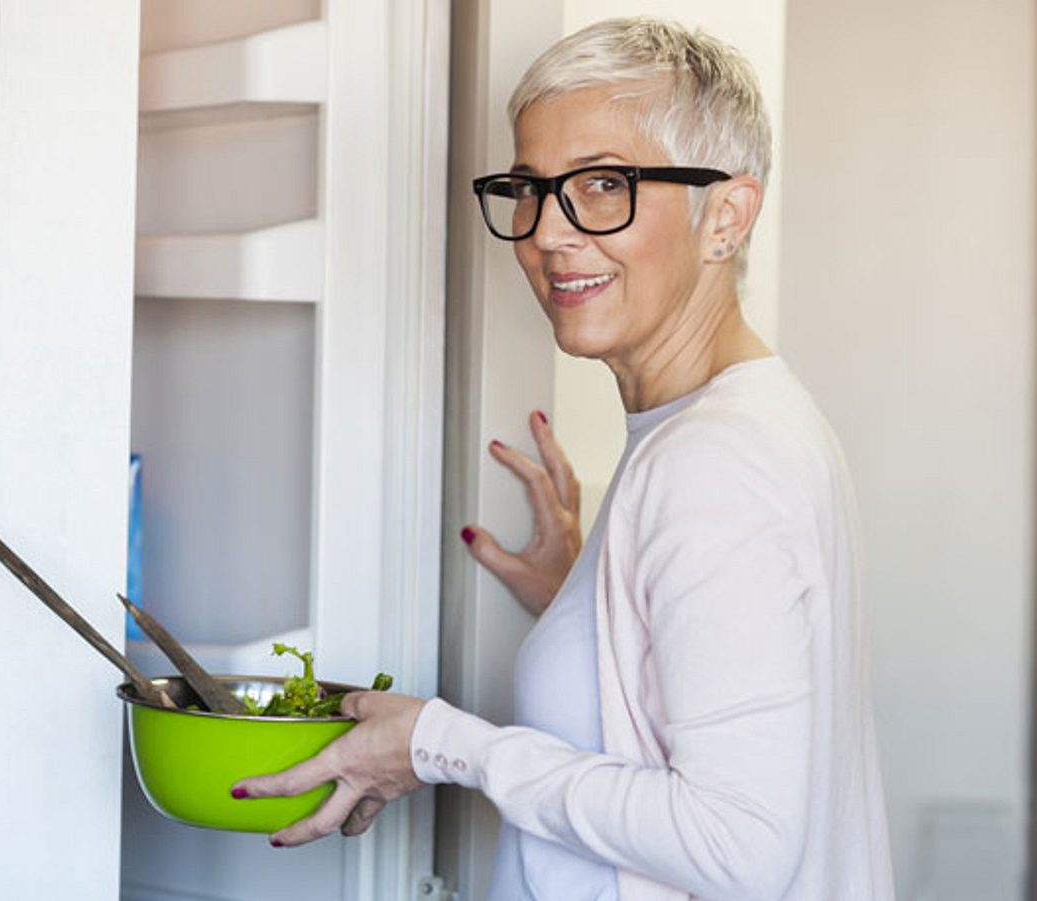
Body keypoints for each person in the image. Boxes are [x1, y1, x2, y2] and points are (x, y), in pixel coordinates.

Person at [231, 16, 895, 900]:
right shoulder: (736, 420)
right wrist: (595, 601)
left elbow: (740, 845)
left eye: (605, 184)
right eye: (530, 189)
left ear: (725, 216)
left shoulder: (713, 463)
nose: (547, 232)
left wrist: (440, 742)